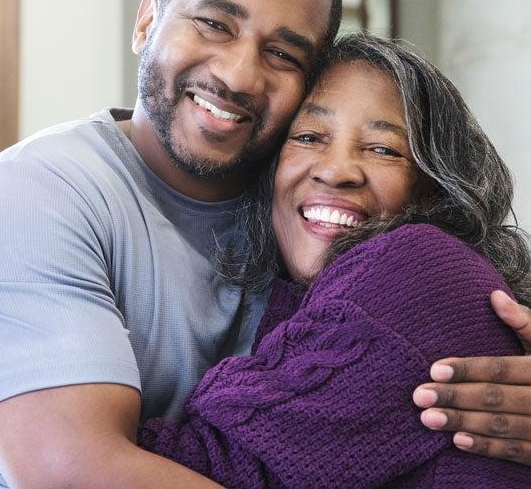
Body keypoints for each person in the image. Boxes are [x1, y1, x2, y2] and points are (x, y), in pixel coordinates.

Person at [0, 0, 531, 488]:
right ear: (146, 22)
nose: (239, 75)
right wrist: (45, 445)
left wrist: (28, 440)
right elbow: (71, 474)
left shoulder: (306, 218)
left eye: (283, 54)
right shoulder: (42, 196)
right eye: (214, 24)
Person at [136, 33, 531, 487]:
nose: (336, 170)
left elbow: (214, 467)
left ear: (431, 191)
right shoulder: (294, 298)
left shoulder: (416, 270)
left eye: (383, 149)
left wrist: (80, 412)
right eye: (308, 137)